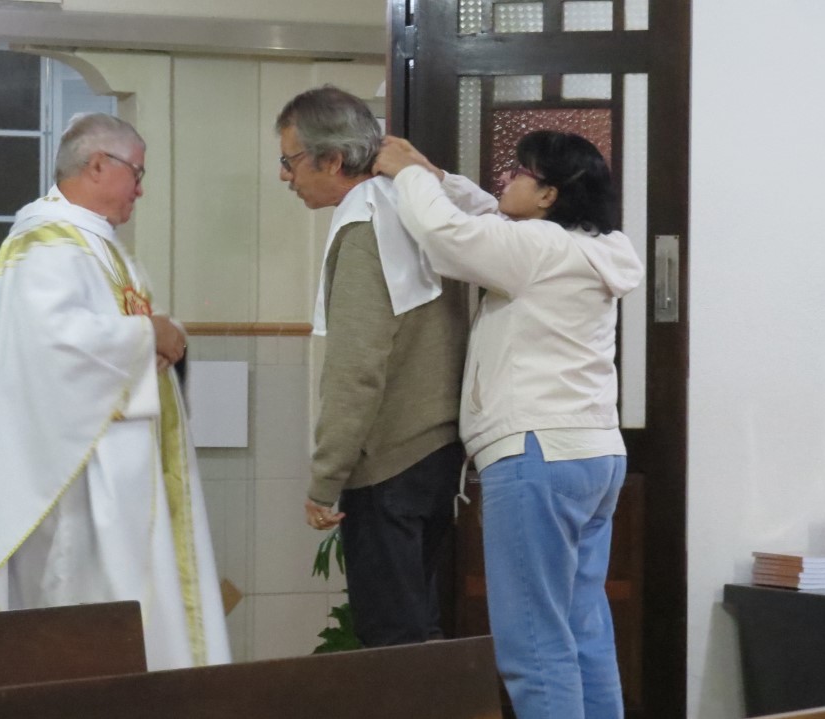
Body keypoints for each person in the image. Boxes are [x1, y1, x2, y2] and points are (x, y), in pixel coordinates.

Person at [0, 113, 230, 671]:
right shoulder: (46, 242)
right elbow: (56, 346)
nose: (140, 189)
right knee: (90, 619)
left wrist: (159, 336)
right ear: (98, 165)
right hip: (78, 484)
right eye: (136, 173)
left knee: (131, 611)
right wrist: (149, 335)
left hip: (119, 474)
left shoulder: (93, 242)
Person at [374, 131, 645, 719]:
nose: (506, 178)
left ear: (548, 195)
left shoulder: (536, 248)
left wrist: (407, 175)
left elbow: (448, 237)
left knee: (534, 644)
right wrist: (436, 175)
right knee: (583, 629)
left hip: (536, 456)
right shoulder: (597, 247)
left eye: (520, 172)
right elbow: (485, 215)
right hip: (596, 456)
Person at [275, 86, 469, 647]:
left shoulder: (363, 227)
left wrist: (325, 480)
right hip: (438, 450)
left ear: (333, 160)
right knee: (419, 632)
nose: (285, 176)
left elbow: (356, 369)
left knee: (392, 643)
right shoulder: (415, 206)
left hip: (390, 463)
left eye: (290, 161)